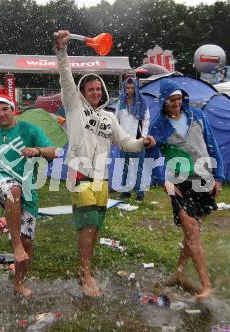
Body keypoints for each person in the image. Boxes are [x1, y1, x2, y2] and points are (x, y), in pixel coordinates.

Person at [55, 30, 156, 297]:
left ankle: (85, 268)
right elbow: (66, 78)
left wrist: (143, 142)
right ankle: (85, 273)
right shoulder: (74, 107)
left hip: (102, 179)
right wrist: (62, 51)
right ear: (82, 92)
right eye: (90, 89)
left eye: (99, 88)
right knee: (87, 225)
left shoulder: (109, 118)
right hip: (80, 175)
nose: (96, 92)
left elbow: (125, 143)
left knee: (95, 226)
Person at [0, 92, 56, 299]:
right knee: (13, 190)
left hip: (28, 187)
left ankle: (19, 283)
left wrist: (36, 150)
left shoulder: (30, 129)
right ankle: (15, 244)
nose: (1, 114)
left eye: (4, 109)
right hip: (0, 180)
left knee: (28, 241)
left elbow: (52, 151)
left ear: (13, 108)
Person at [148, 79, 224, 301]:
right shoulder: (158, 126)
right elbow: (153, 156)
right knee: (191, 228)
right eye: (172, 100)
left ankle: (179, 273)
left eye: (179, 99)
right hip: (178, 183)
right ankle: (206, 285)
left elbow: (212, 145)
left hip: (203, 178)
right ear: (164, 101)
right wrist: (163, 179)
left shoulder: (197, 117)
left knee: (192, 232)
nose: (176, 103)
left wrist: (218, 176)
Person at [116, 77, 150, 201]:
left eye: (132, 88)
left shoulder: (141, 102)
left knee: (138, 167)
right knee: (125, 166)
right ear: (124, 88)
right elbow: (116, 120)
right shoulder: (121, 102)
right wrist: (117, 135)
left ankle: (139, 193)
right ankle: (125, 191)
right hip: (124, 139)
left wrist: (143, 136)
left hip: (137, 139)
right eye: (127, 88)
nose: (129, 90)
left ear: (136, 88)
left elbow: (146, 120)